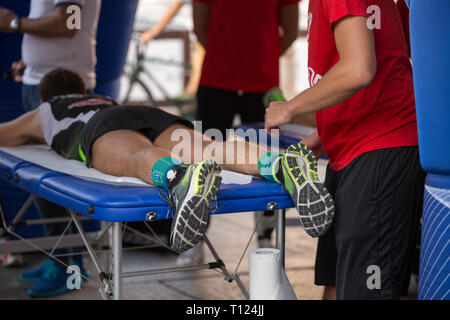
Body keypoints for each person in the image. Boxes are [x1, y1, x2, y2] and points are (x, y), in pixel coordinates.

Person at [0, 68, 335, 254]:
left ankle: (178, 178)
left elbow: (4, 135)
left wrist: (34, 130)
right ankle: (278, 164)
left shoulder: (47, 109)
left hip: (100, 129)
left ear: (46, 96)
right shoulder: (102, 97)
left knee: (135, 157)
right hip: (146, 112)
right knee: (208, 147)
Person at [264, 0, 424, 300]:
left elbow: (358, 69)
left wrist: (290, 108)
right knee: (337, 279)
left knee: (365, 290)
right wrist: (323, 133)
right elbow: (390, 60)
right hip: (352, 149)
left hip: (381, 150)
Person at [0, 0, 101, 297]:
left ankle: (64, 267)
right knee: (47, 187)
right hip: (40, 81)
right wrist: (30, 63)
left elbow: (68, 25)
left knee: (58, 183)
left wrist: (14, 24)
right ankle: (66, 262)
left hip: (61, 90)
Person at [193, 0, 301, 249]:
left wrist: (262, 58)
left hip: (261, 84)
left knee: (267, 159)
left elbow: (291, 31)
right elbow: (200, 28)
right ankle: (196, 231)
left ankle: (266, 232)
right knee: (203, 158)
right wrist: (227, 58)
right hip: (216, 82)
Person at [141, 0, 203, 101]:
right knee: (194, 89)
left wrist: (154, 32)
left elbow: (176, 8)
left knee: (195, 90)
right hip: (201, 40)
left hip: (205, 42)